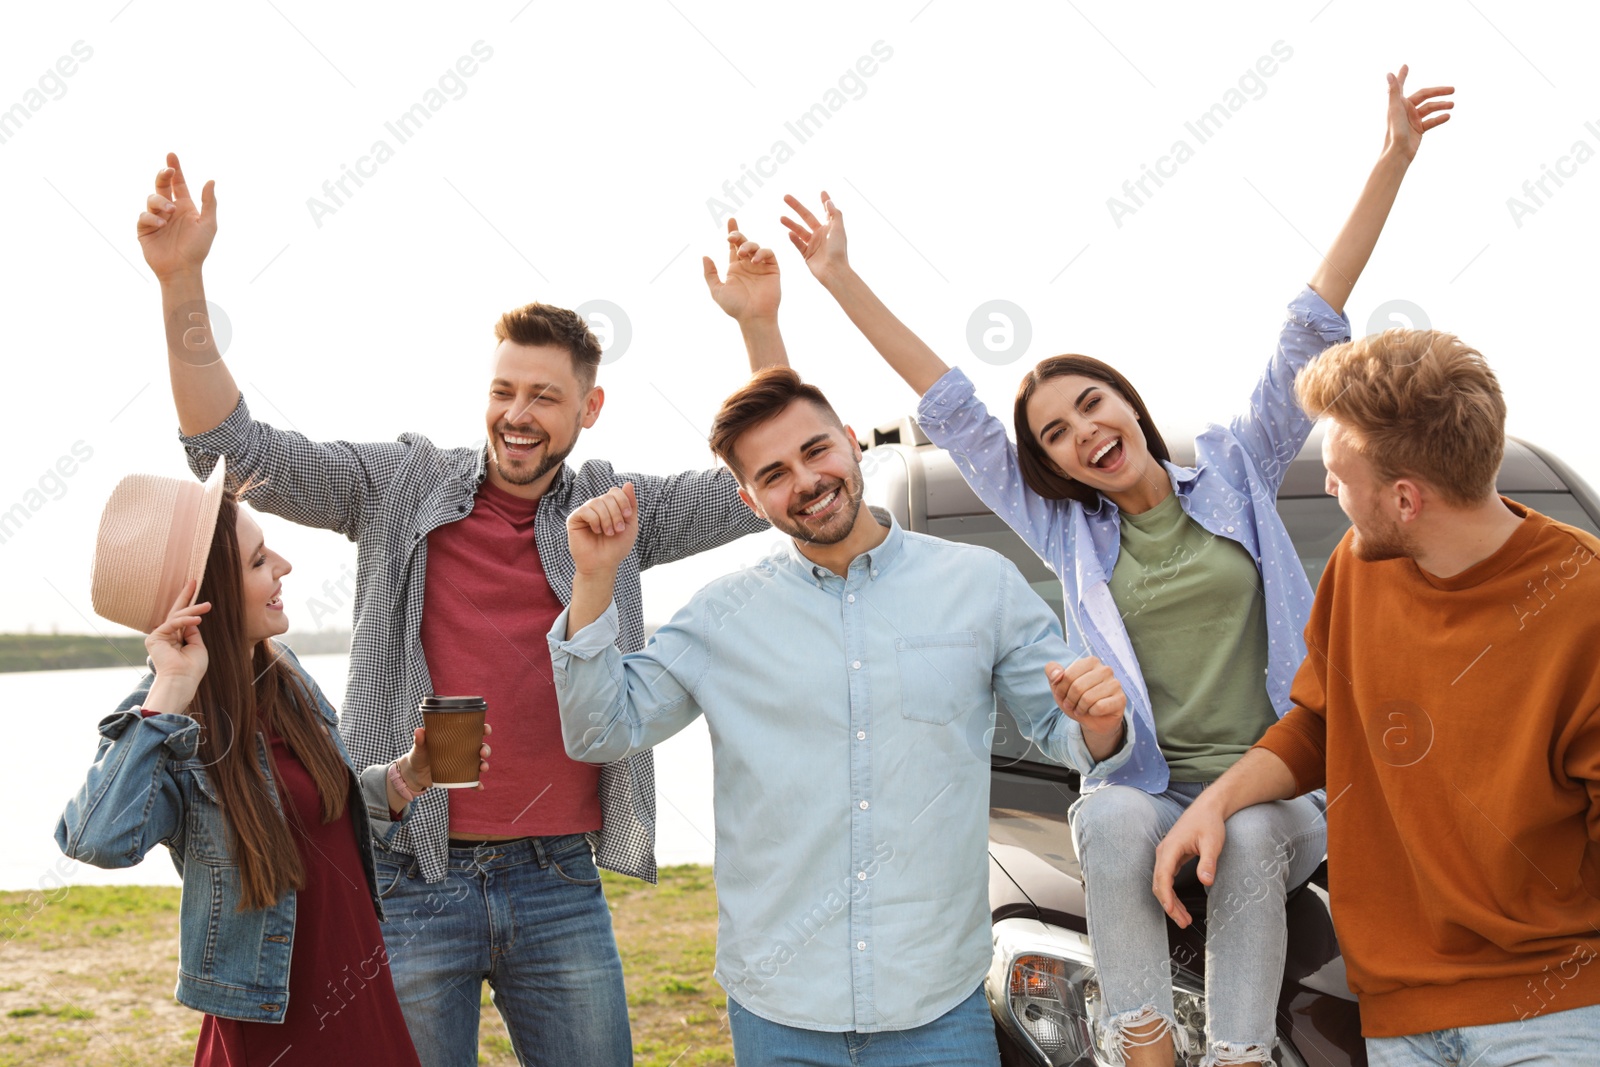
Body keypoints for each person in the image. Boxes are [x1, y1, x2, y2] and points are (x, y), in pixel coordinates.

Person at [778, 67, 1454, 1065]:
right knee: (1104, 812)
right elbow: (950, 404)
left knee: (1258, 843)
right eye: (1053, 432)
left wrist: (1390, 161)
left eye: (1092, 403)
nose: (1081, 429)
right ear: (1047, 463)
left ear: (1126, 406)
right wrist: (837, 277)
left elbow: (1309, 321)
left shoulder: (1233, 468)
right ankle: (1138, 1039)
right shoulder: (1070, 537)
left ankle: (1233, 1054)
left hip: (1280, 788)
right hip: (1155, 784)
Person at [134, 151, 788, 1065]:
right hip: (409, 874)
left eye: (544, 397)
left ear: (588, 407)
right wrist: (182, 281)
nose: (517, 414)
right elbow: (229, 444)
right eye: (503, 391)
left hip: (557, 877)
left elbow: (762, 483)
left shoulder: (615, 505)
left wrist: (761, 325)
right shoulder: (398, 485)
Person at [548, 367, 1128, 1066]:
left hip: (938, 1009)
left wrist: (1098, 723)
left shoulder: (980, 585)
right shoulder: (719, 617)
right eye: (775, 473)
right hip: (778, 1015)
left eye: (816, 450)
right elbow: (600, 730)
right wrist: (593, 578)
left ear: (853, 445)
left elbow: (1068, 736)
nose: (807, 479)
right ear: (751, 499)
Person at [1149, 329, 1600, 1065]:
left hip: (1555, 1015)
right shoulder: (1356, 571)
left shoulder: (1584, 602)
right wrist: (1216, 801)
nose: (1329, 487)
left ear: (1405, 497)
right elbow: (1322, 726)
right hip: (1396, 1016)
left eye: (1337, 473)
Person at [58, 463, 485, 1064]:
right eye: (258, 561)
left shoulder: (286, 678)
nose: (283, 565)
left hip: (361, 1000)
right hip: (272, 1027)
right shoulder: (168, 721)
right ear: (209, 596)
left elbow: (316, 819)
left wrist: (407, 776)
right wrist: (170, 689)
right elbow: (93, 839)